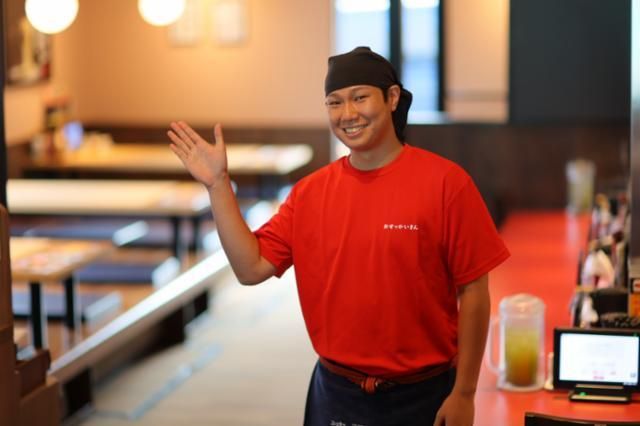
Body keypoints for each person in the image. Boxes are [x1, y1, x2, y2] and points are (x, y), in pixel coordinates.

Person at [168, 46, 510, 426]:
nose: (347, 113)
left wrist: (464, 392)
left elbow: (474, 290)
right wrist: (218, 184)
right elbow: (250, 268)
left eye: (360, 97)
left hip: (425, 393)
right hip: (335, 392)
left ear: (392, 98)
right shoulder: (310, 193)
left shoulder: (447, 183)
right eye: (334, 102)